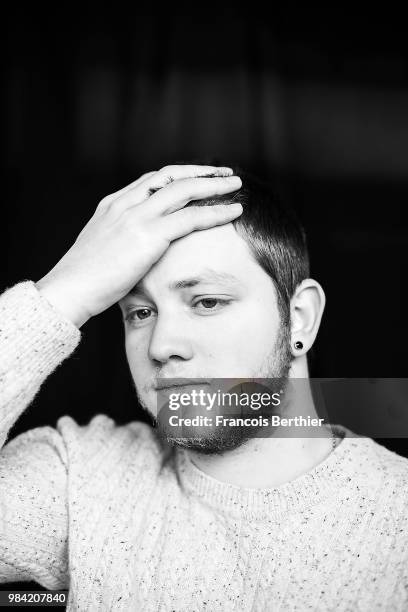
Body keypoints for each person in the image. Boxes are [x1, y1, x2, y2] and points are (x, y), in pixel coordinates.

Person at [0, 164, 407, 611]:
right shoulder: (78, 478)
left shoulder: (397, 520)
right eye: (140, 312)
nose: (161, 345)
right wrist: (64, 295)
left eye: (207, 301)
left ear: (301, 318)